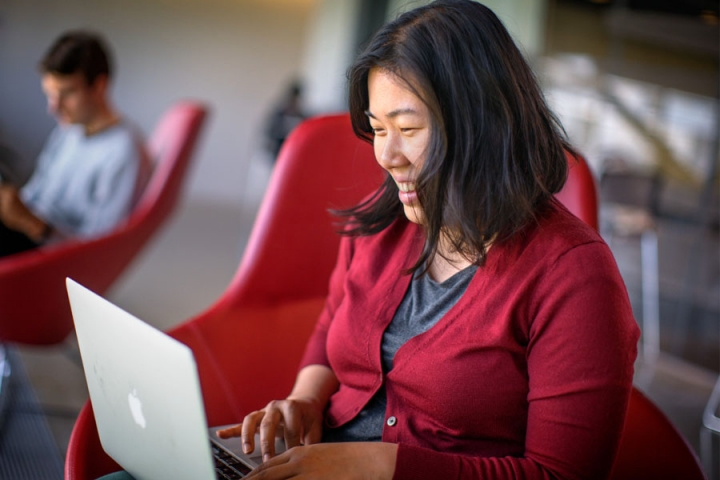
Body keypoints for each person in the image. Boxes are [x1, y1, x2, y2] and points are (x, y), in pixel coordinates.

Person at [101, 1, 639, 479]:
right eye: (378, 129)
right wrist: (305, 400)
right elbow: (333, 327)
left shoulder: (574, 276)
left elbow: (560, 474)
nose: (386, 155)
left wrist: (382, 466)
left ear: (484, 125)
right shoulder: (384, 225)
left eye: (407, 128)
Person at [0, 30, 150, 257]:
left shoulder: (124, 152)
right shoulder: (68, 131)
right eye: (50, 95)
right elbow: (35, 194)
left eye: (66, 94)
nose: (53, 108)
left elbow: (98, 251)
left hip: (44, 255)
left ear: (99, 86)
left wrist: (34, 225)